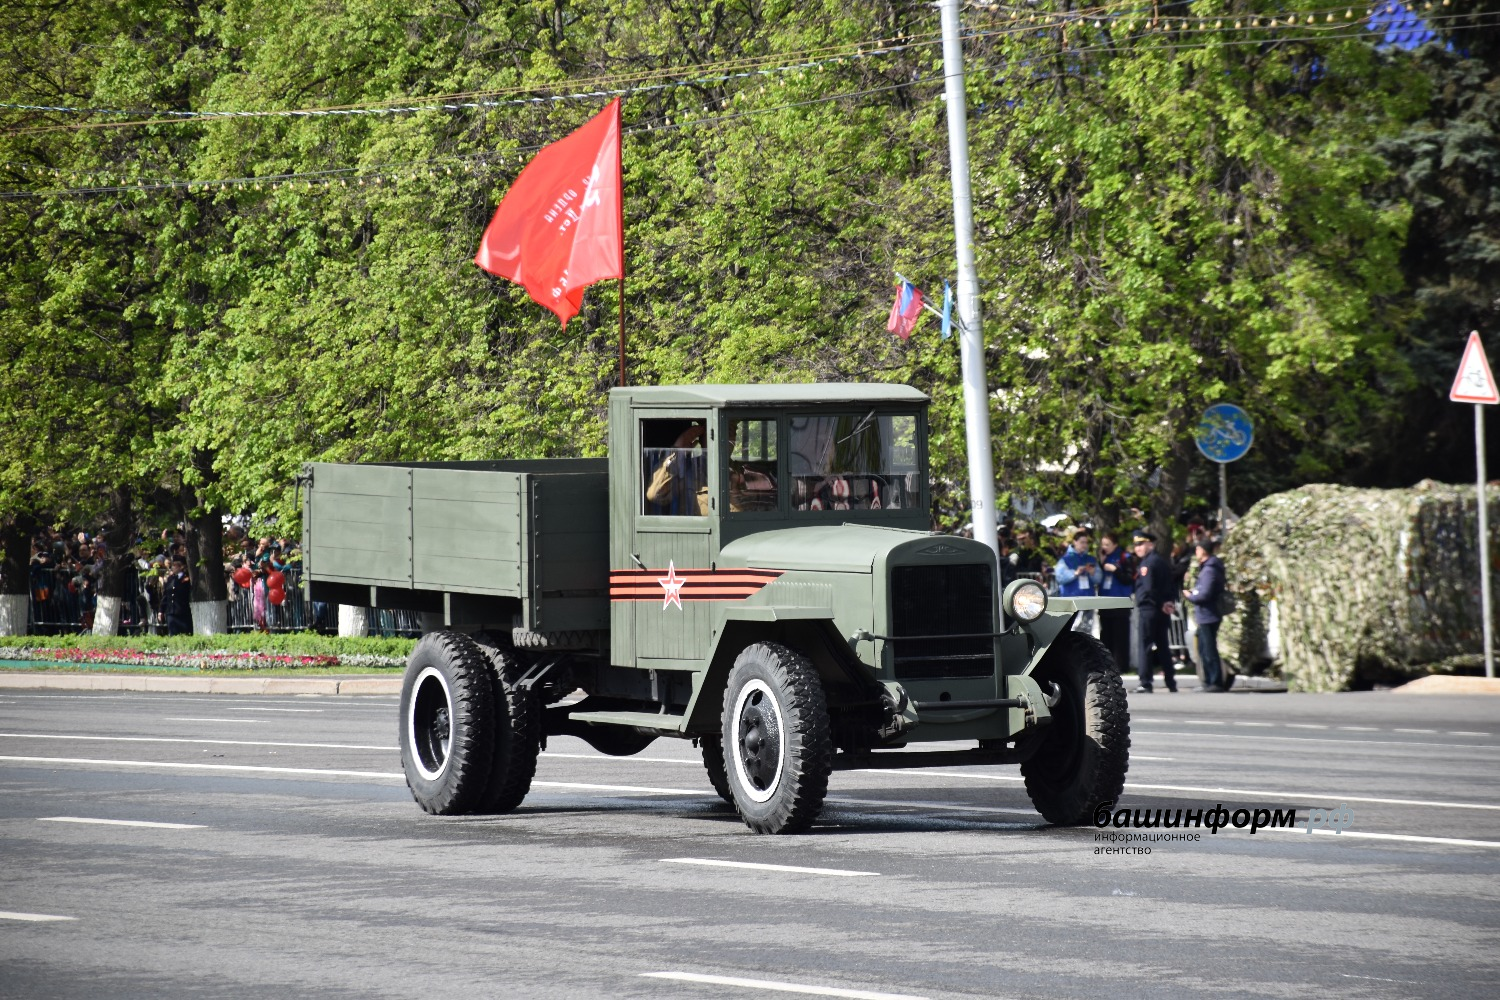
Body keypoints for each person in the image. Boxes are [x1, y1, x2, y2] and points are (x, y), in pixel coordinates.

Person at [1131, 530, 1177, 693]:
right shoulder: (1161, 561)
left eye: (1141, 544)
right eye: (1136, 545)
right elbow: (1171, 585)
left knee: (1145, 645)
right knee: (1163, 646)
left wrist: (1162, 603)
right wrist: (1168, 602)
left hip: (1150, 608)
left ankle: (1145, 682)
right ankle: (1170, 681)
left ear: (1150, 544)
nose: (1137, 548)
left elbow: (1149, 589)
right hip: (1161, 609)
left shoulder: (1148, 563)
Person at [1183, 538, 1227, 691]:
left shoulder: (1209, 570)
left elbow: (1205, 594)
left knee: (1209, 650)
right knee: (1203, 650)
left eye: (1197, 549)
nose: (1196, 552)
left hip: (1208, 615)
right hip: (1206, 614)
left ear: (1202, 550)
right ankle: (1208, 682)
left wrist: (1190, 596)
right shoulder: (1208, 568)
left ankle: (1215, 681)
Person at [1097, 531, 1134, 671]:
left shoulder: (1125, 557)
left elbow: (1129, 579)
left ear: (1115, 545)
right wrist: (1101, 562)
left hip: (1120, 601)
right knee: (1106, 635)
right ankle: (1107, 666)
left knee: (1120, 636)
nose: (1104, 547)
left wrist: (1115, 570)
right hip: (1105, 601)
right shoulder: (1104, 557)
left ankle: (1121, 666)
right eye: (1103, 544)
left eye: (1107, 544)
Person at [1054, 529, 1100, 597]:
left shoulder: (1091, 559)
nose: (1084, 545)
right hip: (1070, 599)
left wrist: (1093, 573)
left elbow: (1099, 579)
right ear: (1074, 542)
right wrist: (1075, 573)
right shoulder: (1065, 559)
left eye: (1086, 542)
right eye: (1082, 542)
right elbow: (1059, 578)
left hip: (1089, 599)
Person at [160, 557, 193, 635]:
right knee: (173, 635)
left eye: (175, 565)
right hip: (171, 612)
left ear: (181, 567)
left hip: (182, 613)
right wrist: (161, 610)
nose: (172, 567)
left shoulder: (187, 579)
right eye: (172, 565)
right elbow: (166, 595)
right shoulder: (170, 579)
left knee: (185, 635)